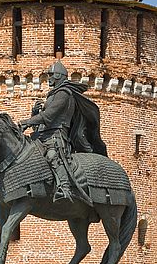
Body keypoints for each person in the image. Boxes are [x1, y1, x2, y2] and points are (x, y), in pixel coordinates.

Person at [19, 60, 107, 203]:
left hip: (57, 136)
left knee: (53, 156)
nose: (49, 79)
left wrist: (27, 122)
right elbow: (45, 118)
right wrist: (34, 113)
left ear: (59, 76)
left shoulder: (64, 94)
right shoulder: (54, 94)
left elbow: (49, 116)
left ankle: (65, 187)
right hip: (45, 135)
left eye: (51, 75)